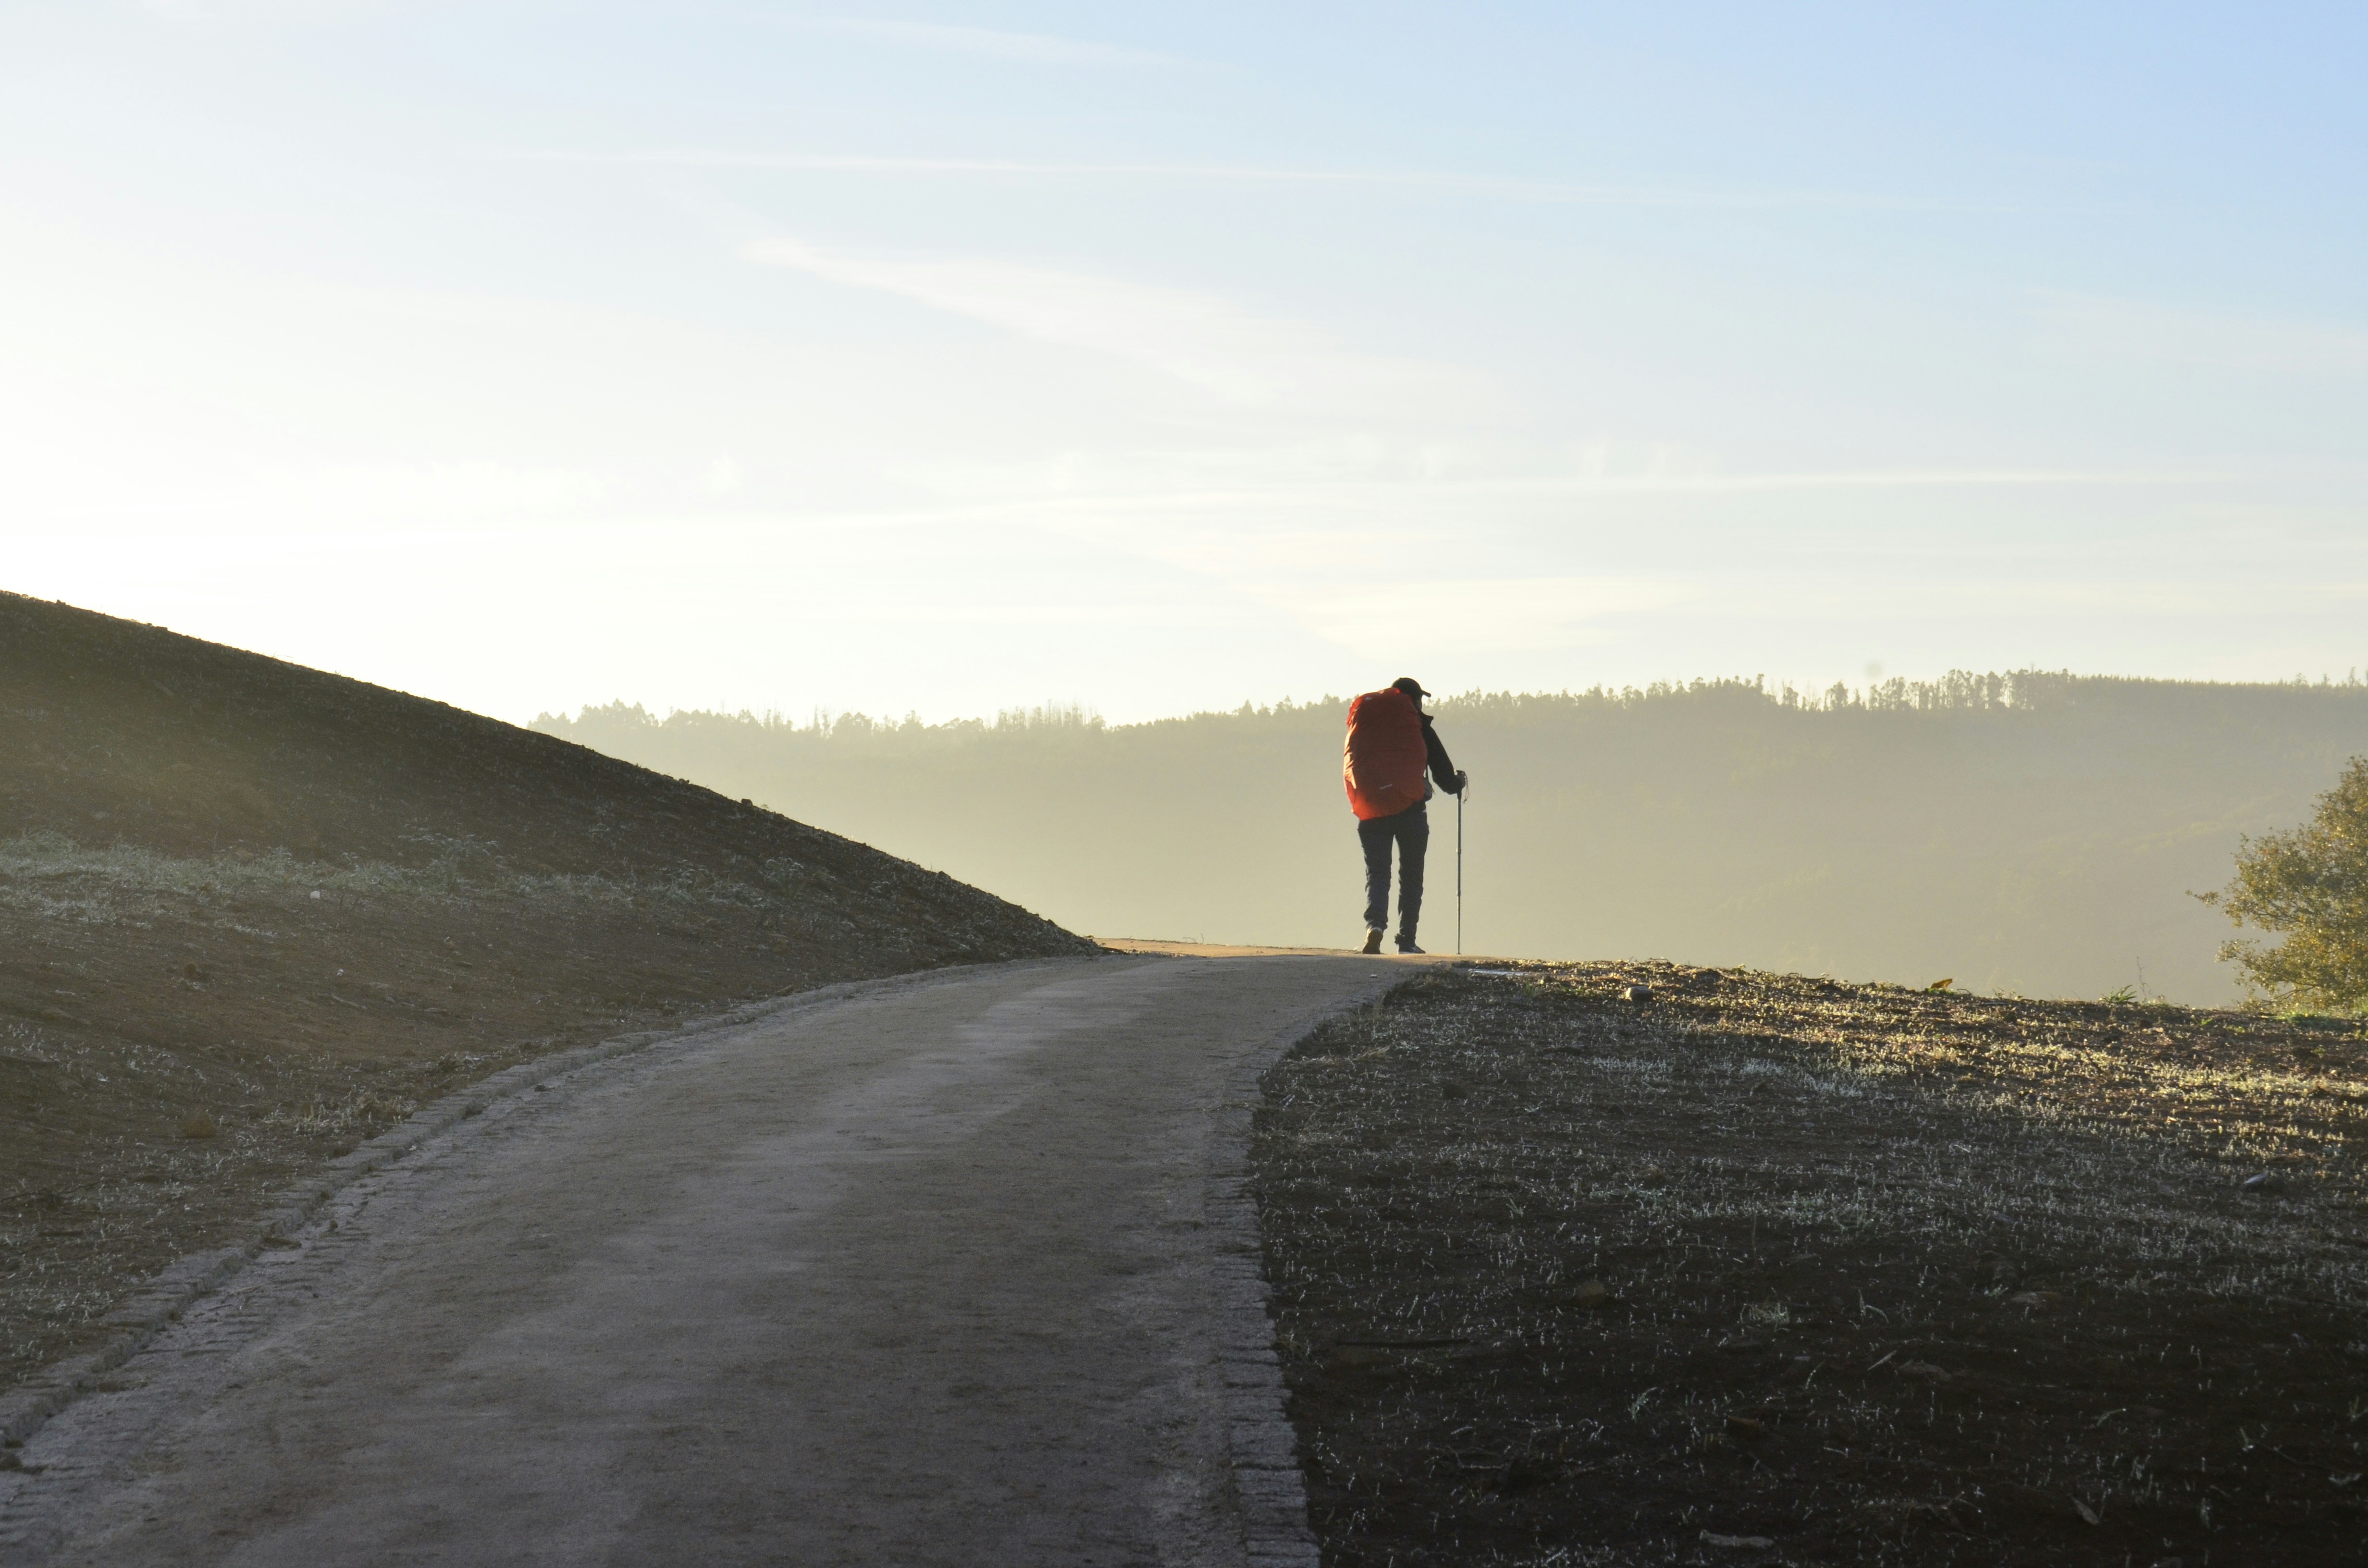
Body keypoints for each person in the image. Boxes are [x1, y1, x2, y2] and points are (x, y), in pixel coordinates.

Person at [1353, 677, 1466, 955]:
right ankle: (1407, 940)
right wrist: (1458, 783)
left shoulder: (1367, 726)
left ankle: (1375, 927)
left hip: (1371, 810)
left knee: (1378, 874)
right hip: (1410, 811)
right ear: (1413, 700)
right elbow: (1442, 774)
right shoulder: (1417, 727)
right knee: (1411, 876)